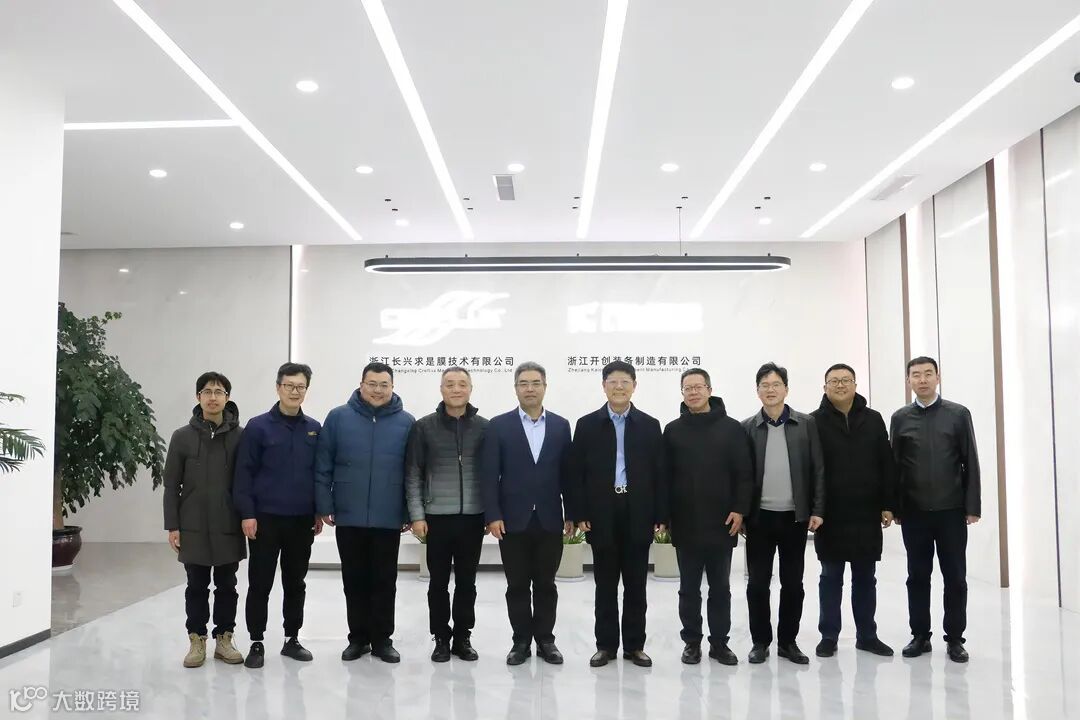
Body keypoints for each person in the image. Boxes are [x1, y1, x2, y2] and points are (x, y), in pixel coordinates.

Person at [316, 362, 415, 663]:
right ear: (361, 385)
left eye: (384, 385)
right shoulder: (338, 417)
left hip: (388, 515)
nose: (378, 390)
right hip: (349, 513)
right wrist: (324, 505)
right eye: (372, 384)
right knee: (354, 580)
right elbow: (323, 465)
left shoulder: (406, 422)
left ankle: (383, 640)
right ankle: (358, 638)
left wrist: (408, 511)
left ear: (392, 387)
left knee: (385, 581)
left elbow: (412, 472)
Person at [569, 361, 665, 668]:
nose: (619, 386)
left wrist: (660, 514)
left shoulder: (650, 425)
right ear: (604, 386)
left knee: (636, 585)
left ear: (634, 386)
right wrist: (579, 512)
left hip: (638, 511)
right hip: (602, 513)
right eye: (613, 381)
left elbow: (659, 473)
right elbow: (576, 473)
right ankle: (606, 646)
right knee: (605, 585)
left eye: (625, 381)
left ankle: (635, 646)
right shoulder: (587, 425)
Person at [480, 361, 573, 666]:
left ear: (545, 387)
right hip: (512, 521)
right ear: (516, 388)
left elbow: (568, 474)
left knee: (546, 585)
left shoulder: (560, 425)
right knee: (517, 585)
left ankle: (546, 640)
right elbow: (489, 475)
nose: (530, 389)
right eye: (524, 383)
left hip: (549, 518)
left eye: (535, 383)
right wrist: (493, 515)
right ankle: (520, 641)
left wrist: (571, 513)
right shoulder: (499, 425)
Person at [233, 362, 323, 669]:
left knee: (296, 583)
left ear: (306, 390)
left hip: (301, 520)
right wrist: (247, 513)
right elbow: (243, 474)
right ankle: (256, 642)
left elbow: (319, 474)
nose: (295, 392)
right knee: (260, 583)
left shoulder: (314, 428)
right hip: (265, 519)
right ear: (278, 387)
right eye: (289, 386)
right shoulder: (258, 427)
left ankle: (291, 639)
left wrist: (318, 511)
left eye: (300, 387)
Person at [891, 356, 981, 663]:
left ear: (938, 377)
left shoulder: (958, 414)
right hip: (914, 512)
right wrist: (895, 506)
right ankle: (920, 635)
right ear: (909, 381)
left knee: (955, 577)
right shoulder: (900, 418)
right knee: (917, 576)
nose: (923, 380)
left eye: (928, 374)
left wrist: (972, 506)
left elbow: (970, 461)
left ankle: (955, 639)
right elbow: (895, 465)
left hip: (951, 511)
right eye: (916, 375)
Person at [664, 367, 753, 666]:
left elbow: (744, 473)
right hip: (685, 522)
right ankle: (691, 642)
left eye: (698, 387)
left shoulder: (731, 428)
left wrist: (740, 509)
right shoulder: (673, 430)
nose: (693, 392)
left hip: (722, 522)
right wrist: (665, 516)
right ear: (682, 393)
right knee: (688, 589)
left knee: (720, 589)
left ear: (710, 390)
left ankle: (719, 643)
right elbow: (665, 477)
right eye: (687, 388)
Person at [810, 363, 896, 658]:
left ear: (856, 385)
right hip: (831, 514)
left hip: (866, 511)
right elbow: (811, 469)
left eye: (846, 380)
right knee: (830, 577)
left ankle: (867, 635)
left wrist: (887, 504)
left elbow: (886, 463)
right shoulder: (813, 422)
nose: (840, 385)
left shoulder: (873, 419)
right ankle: (828, 635)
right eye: (834, 381)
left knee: (865, 577)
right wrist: (814, 508)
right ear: (825, 387)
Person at [742, 362, 825, 665]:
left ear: (786, 389)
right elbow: (741, 475)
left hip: (795, 517)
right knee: (757, 584)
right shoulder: (747, 427)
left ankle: (788, 642)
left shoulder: (806, 424)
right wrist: (742, 513)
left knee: (793, 584)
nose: (770, 390)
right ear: (757, 391)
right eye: (765, 385)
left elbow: (818, 468)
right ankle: (760, 641)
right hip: (759, 518)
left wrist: (818, 509)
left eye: (776, 384)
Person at [405, 367, 489, 663]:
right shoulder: (424, 427)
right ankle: (441, 637)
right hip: (436, 517)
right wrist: (417, 515)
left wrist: (490, 513)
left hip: (472, 518)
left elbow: (493, 474)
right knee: (438, 583)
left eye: (462, 384)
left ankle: (463, 637)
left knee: (467, 582)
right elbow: (413, 473)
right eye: (450, 384)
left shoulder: (484, 427)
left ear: (470, 389)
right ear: (441, 389)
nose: (456, 389)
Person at [163, 371, 246, 669]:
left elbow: (247, 482)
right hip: (193, 525)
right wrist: (173, 525)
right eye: (207, 391)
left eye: (219, 392)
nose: (213, 397)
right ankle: (196, 640)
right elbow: (171, 485)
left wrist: (248, 517)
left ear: (227, 397)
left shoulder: (240, 437)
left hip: (228, 524)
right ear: (198, 397)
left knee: (227, 586)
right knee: (196, 586)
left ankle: (224, 639)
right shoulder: (182, 437)